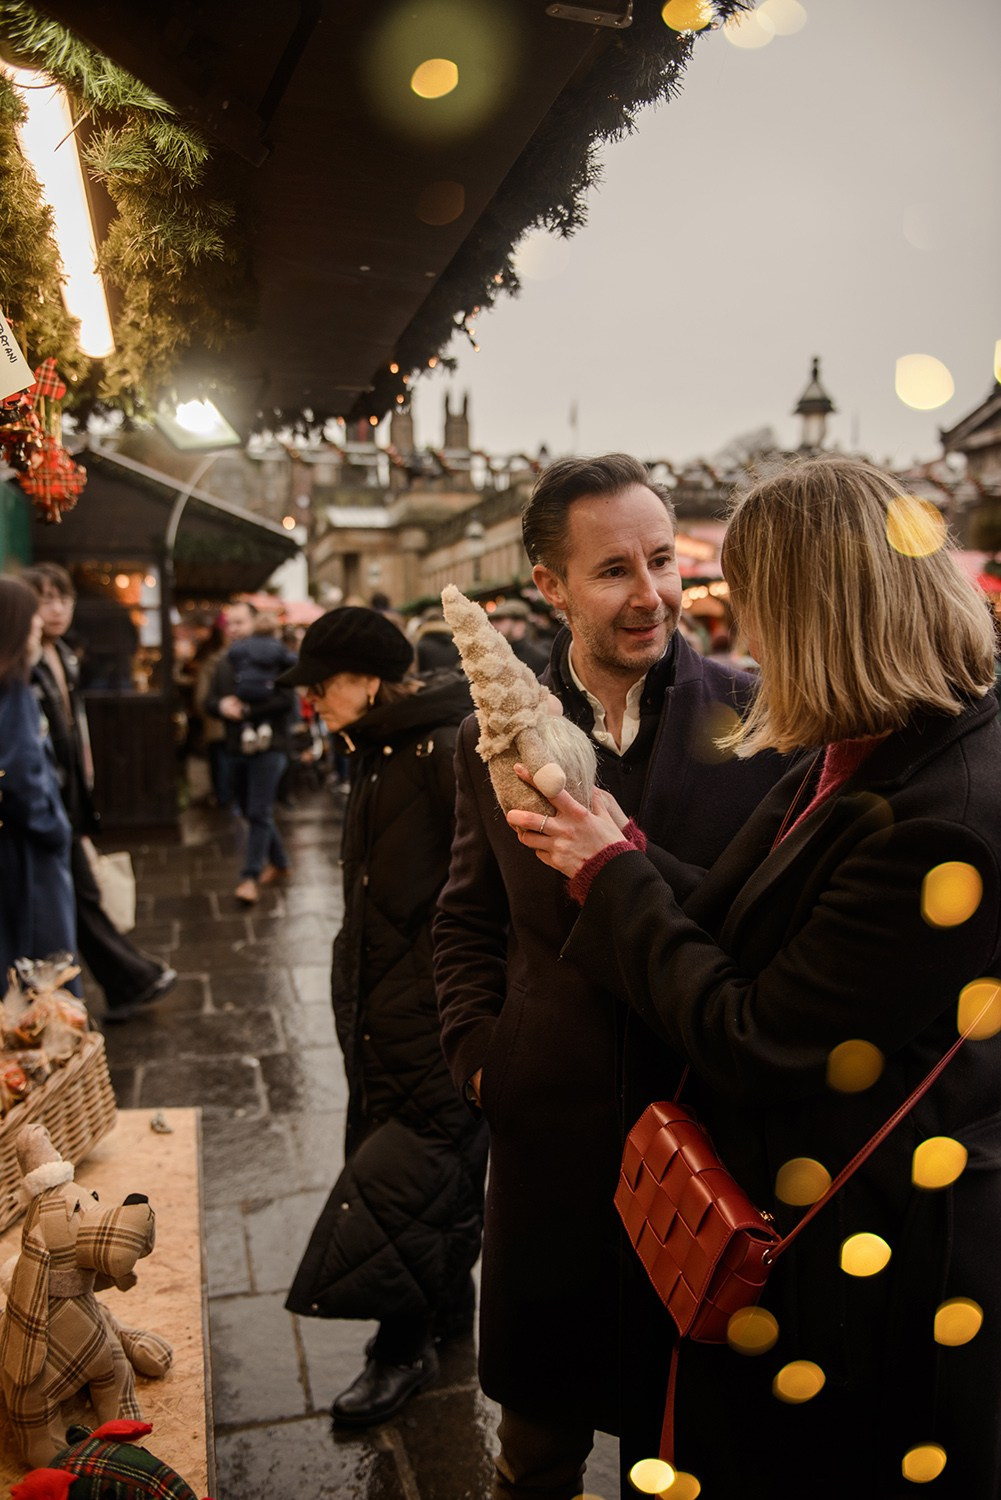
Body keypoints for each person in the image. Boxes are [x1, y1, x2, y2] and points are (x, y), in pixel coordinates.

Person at [507, 456, 1001, 1498]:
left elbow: (759, 1034)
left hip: (863, 1255)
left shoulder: (945, 812)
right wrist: (629, 850)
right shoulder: (871, 738)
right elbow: (760, 913)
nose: (745, 637)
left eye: (758, 606)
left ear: (825, 613)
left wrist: (611, 880)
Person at [432, 454, 787, 1498]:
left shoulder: (760, 718)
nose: (652, 595)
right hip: (555, 1148)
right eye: (612, 571)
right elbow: (463, 918)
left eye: (663, 561)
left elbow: (764, 924)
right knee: (534, 1450)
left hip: (705, 1137)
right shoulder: (484, 739)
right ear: (548, 586)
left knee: (675, 1454)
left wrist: (621, 859)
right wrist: (483, 1063)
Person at [282, 608, 488, 1426]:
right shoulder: (379, 748)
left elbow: (485, 897)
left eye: (321, 686)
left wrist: (457, 1008)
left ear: (367, 682)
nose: (313, 704)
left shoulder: (441, 748)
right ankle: (448, 1316)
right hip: (385, 1005)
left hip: (430, 1013)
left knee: (403, 1176)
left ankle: (398, 1350)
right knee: (432, 1172)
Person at [22, 565, 176, 1021]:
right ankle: (125, 982)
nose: (55, 609)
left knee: (81, 895)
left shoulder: (64, 655)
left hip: (68, 799)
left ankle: (125, 982)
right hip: (46, 804)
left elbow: (72, 728)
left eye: (63, 599)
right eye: (45, 599)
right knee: (74, 899)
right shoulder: (25, 662)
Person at [0, 576, 76, 981]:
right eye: (32, 617)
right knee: (47, 976)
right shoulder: (14, 691)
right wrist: (54, 829)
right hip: (27, 855)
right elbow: (22, 775)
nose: (39, 625)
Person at [205, 600, 296, 904]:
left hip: (270, 746)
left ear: (255, 623)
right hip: (236, 746)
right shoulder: (223, 661)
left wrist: (246, 708)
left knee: (258, 811)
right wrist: (221, 706)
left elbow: (286, 701)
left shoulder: (274, 656)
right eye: (229, 623)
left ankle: (249, 878)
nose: (234, 629)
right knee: (247, 809)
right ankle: (281, 863)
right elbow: (208, 700)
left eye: (240, 622)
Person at [226, 611, 296, 752]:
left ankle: (247, 730)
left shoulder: (244, 646)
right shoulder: (277, 646)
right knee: (265, 706)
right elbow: (290, 660)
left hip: (245, 685)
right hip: (266, 687)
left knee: (247, 704)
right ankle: (265, 726)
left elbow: (231, 654)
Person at [489, 597, 550, 672]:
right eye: (492, 621)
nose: (494, 625)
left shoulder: (540, 658)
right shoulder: (496, 657)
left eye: (499, 620)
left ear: (520, 624)